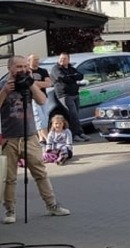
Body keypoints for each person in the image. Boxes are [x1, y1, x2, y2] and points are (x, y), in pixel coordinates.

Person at [2, 55, 72, 224]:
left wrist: (32, 84)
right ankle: (10, 210)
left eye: (25, 66)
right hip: (8, 138)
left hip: (31, 136)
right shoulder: (3, 85)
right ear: (9, 68)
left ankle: (52, 205)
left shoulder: (28, 82)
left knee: (40, 173)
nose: (23, 69)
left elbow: (42, 101)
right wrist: (5, 91)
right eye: (19, 67)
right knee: (9, 178)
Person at [51, 53, 88, 142]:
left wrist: (72, 77)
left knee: (76, 115)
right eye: (61, 58)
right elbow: (62, 78)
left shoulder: (71, 68)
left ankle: (80, 133)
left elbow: (80, 76)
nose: (62, 60)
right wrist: (73, 78)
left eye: (64, 59)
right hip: (65, 95)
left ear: (68, 60)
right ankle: (74, 134)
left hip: (75, 94)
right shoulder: (56, 69)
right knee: (72, 115)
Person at [27, 54, 52, 143]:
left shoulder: (43, 71)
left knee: (45, 117)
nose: (37, 61)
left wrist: (35, 83)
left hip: (44, 97)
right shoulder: (27, 71)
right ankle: (47, 138)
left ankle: (42, 138)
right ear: (29, 61)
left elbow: (49, 83)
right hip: (33, 98)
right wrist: (40, 84)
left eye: (38, 59)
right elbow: (28, 85)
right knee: (39, 117)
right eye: (34, 59)